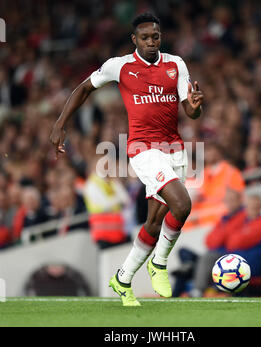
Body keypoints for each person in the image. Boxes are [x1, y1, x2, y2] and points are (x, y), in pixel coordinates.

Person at [50, 12, 204, 306]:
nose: (151, 42)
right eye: (145, 38)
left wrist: (195, 107)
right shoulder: (119, 66)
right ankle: (159, 263)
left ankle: (122, 279)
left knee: (156, 222)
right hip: (143, 149)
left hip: (175, 149)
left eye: (155, 37)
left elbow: (190, 110)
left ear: (161, 37)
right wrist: (60, 123)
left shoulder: (175, 64)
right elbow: (83, 89)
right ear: (134, 39)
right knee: (182, 204)